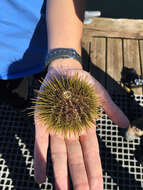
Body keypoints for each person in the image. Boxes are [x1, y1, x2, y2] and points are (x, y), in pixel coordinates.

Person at [0, 0, 130, 189]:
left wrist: (64, 54)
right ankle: (28, 113)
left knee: (30, 98)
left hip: (47, 44)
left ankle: (30, 113)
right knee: (17, 99)